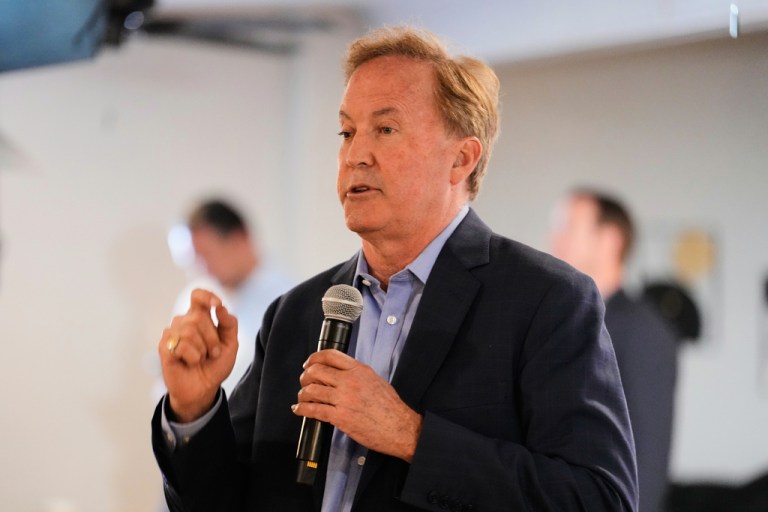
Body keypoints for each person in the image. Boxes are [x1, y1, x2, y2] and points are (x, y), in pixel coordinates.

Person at [152, 26, 638, 512]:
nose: (355, 155)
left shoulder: (546, 301)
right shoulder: (295, 313)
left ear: (461, 159)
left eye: (384, 129)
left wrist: (412, 437)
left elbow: (600, 499)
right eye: (347, 132)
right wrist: (194, 410)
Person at [551, 188, 678, 512]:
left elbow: (647, 456)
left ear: (609, 240)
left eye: (570, 228)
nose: (556, 241)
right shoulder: (574, 321)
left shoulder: (641, 330)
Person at [168, 199, 295, 396]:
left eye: (207, 255)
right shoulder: (191, 298)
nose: (201, 268)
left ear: (239, 239)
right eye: (195, 259)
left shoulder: (289, 299)